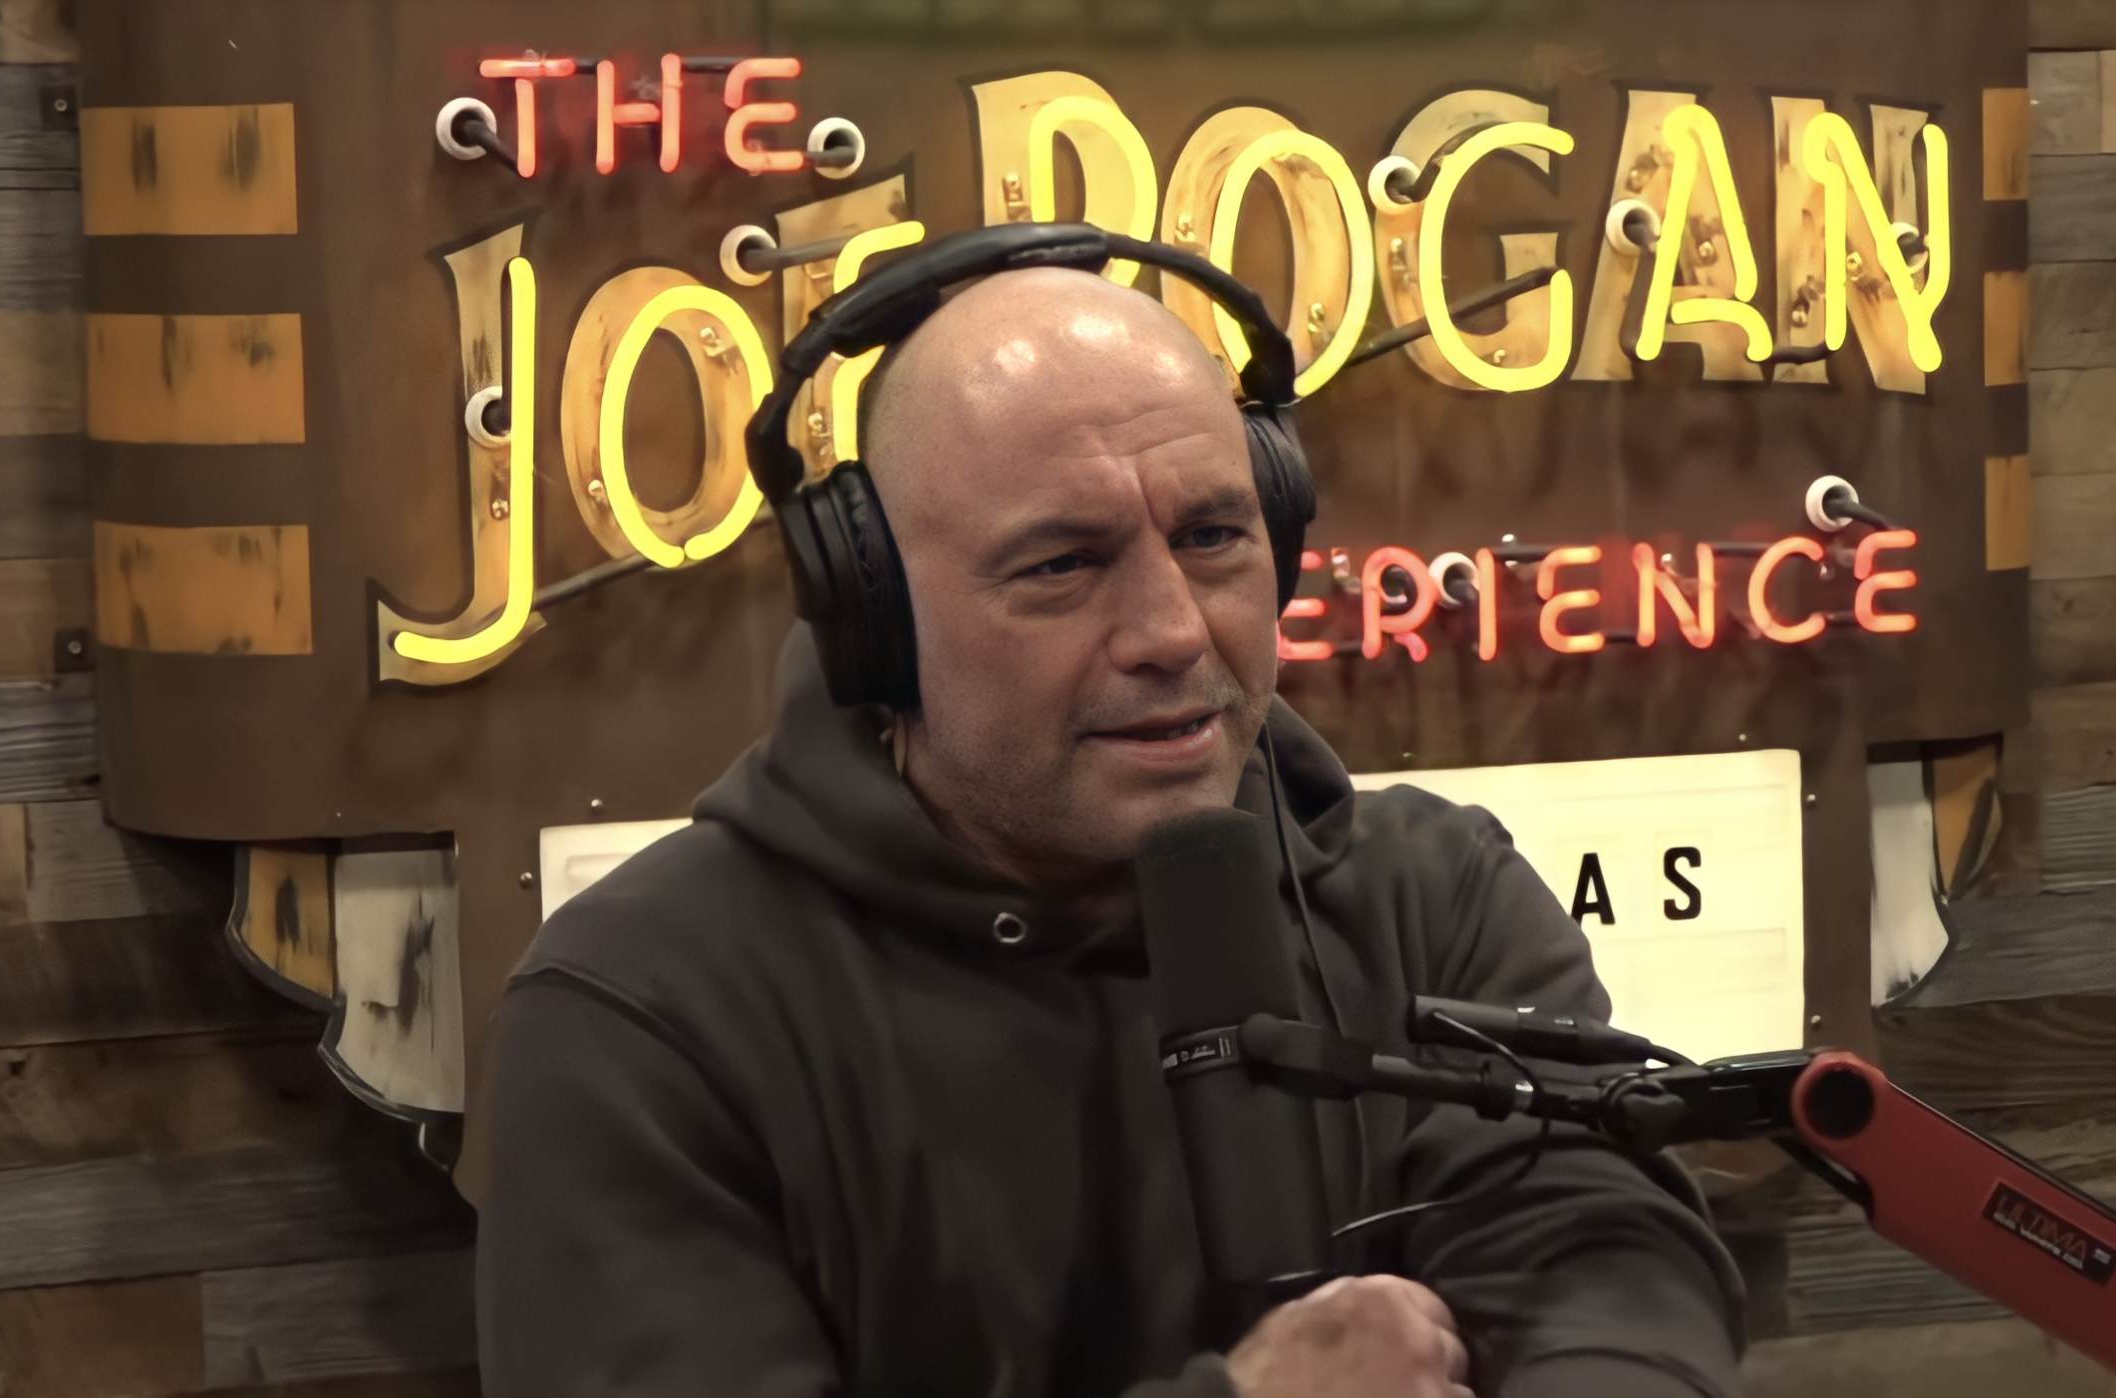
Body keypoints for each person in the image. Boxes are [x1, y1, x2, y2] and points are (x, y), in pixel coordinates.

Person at [476, 263, 1747, 1397]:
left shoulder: (1438, 896)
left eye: (1212, 536)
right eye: (1061, 565)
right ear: (878, 623)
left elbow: (1609, 1273)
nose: (1174, 631)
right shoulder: (642, 1015)